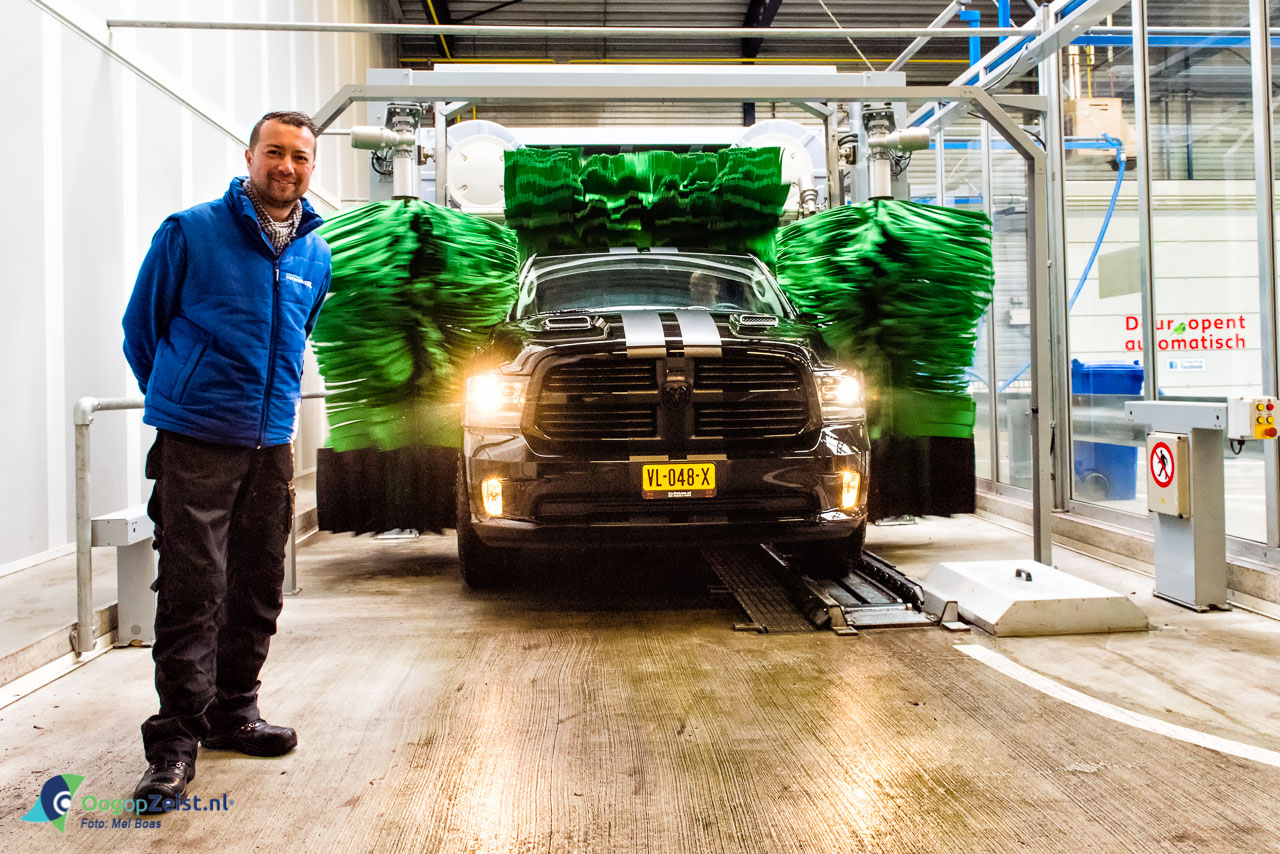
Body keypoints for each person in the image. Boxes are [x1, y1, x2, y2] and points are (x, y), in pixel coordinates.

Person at [122, 111, 331, 813]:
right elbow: (141, 332)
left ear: (310, 167)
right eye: (275, 152)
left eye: (300, 157)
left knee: (258, 586)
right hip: (197, 441)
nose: (287, 167)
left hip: (270, 442)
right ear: (250, 156)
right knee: (193, 589)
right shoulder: (190, 232)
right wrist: (184, 397)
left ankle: (233, 710)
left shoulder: (314, 254)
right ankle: (174, 745)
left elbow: (298, 338)